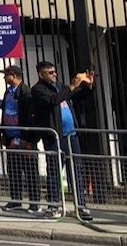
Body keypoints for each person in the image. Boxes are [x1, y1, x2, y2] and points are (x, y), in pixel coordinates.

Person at [30, 61, 94, 221]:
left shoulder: (60, 86)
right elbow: (53, 100)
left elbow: (78, 96)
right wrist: (72, 85)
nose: (54, 74)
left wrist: (88, 86)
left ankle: (81, 206)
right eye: (50, 72)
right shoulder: (38, 89)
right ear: (41, 74)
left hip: (71, 135)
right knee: (55, 171)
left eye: (54, 71)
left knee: (77, 171)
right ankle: (53, 205)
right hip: (55, 137)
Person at [0, 65, 39, 212]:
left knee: (30, 172)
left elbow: (31, 117)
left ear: (13, 76)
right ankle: (15, 200)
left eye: (6, 75)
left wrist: (30, 140)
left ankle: (34, 202)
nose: (4, 78)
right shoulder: (8, 92)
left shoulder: (25, 92)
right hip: (11, 139)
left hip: (24, 140)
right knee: (14, 171)